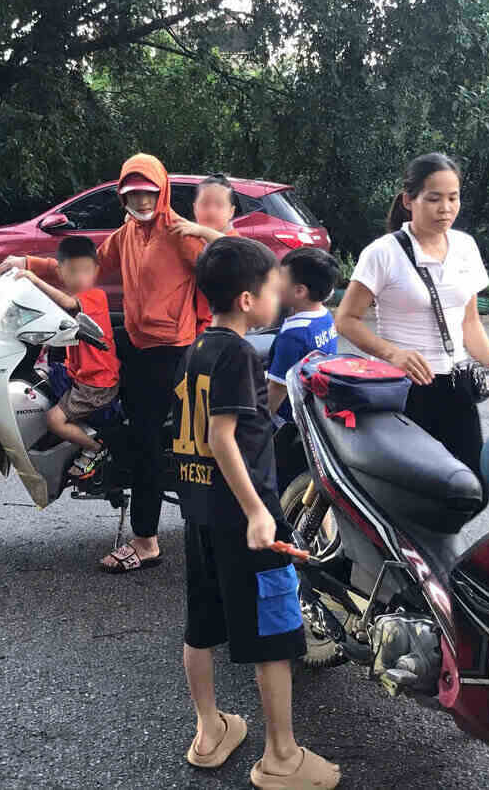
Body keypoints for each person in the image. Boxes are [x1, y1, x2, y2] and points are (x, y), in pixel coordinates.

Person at [173, 236, 341, 790]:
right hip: (245, 519)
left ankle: (209, 731)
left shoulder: (197, 348)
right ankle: (281, 757)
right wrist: (257, 512)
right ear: (248, 300)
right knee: (275, 632)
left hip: (200, 514)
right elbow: (224, 438)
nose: (278, 298)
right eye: (271, 289)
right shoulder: (242, 355)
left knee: (202, 626)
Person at [0, 153, 206, 573]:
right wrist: (26, 264)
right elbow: (83, 270)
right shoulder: (127, 234)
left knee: (145, 437)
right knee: (86, 353)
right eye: (133, 194)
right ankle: (105, 447)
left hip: (170, 346)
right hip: (140, 336)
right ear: (122, 197)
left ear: (161, 191)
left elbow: (221, 271)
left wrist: (210, 325)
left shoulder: (180, 233)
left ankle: (146, 541)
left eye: (148, 193)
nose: (142, 201)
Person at [335, 153, 489, 472]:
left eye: (453, 198)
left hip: (456, 384)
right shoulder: (383, 253)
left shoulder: (465, 247)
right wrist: (393, 354)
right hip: (405, 388)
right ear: (409, 200)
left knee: (471, 485)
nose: (446, 208)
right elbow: (346, 320)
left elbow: (470, 322)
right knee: (415, 489)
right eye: (434, 198)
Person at [12, 235, 121, 481]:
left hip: (96, 384)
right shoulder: (75, 295)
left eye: (86, 271)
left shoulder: (95, 296)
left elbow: (67, 303)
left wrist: (33, 278)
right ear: (61, 273)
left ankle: (95, 449)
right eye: (73, 272)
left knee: (53, 420)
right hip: (77, 373)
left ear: (96, 271)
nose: (80, 278)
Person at [265, 247, 339, 493]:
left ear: (299, 291)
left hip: (285, 427)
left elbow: (275, 392)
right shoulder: (324, 317)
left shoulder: (294, 336)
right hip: (313, 415)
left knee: (277, 488)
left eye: (281, 278)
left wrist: (252, 429)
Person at [171, 174, 241, 334]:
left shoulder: (232, 239)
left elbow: (238, 248)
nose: (211, 210)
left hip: (221, 327)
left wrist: (202, 230)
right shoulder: (191, 235)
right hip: (192, 325)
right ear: (195, 207)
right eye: (204, 204)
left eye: (219, 205)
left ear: (231, 211)